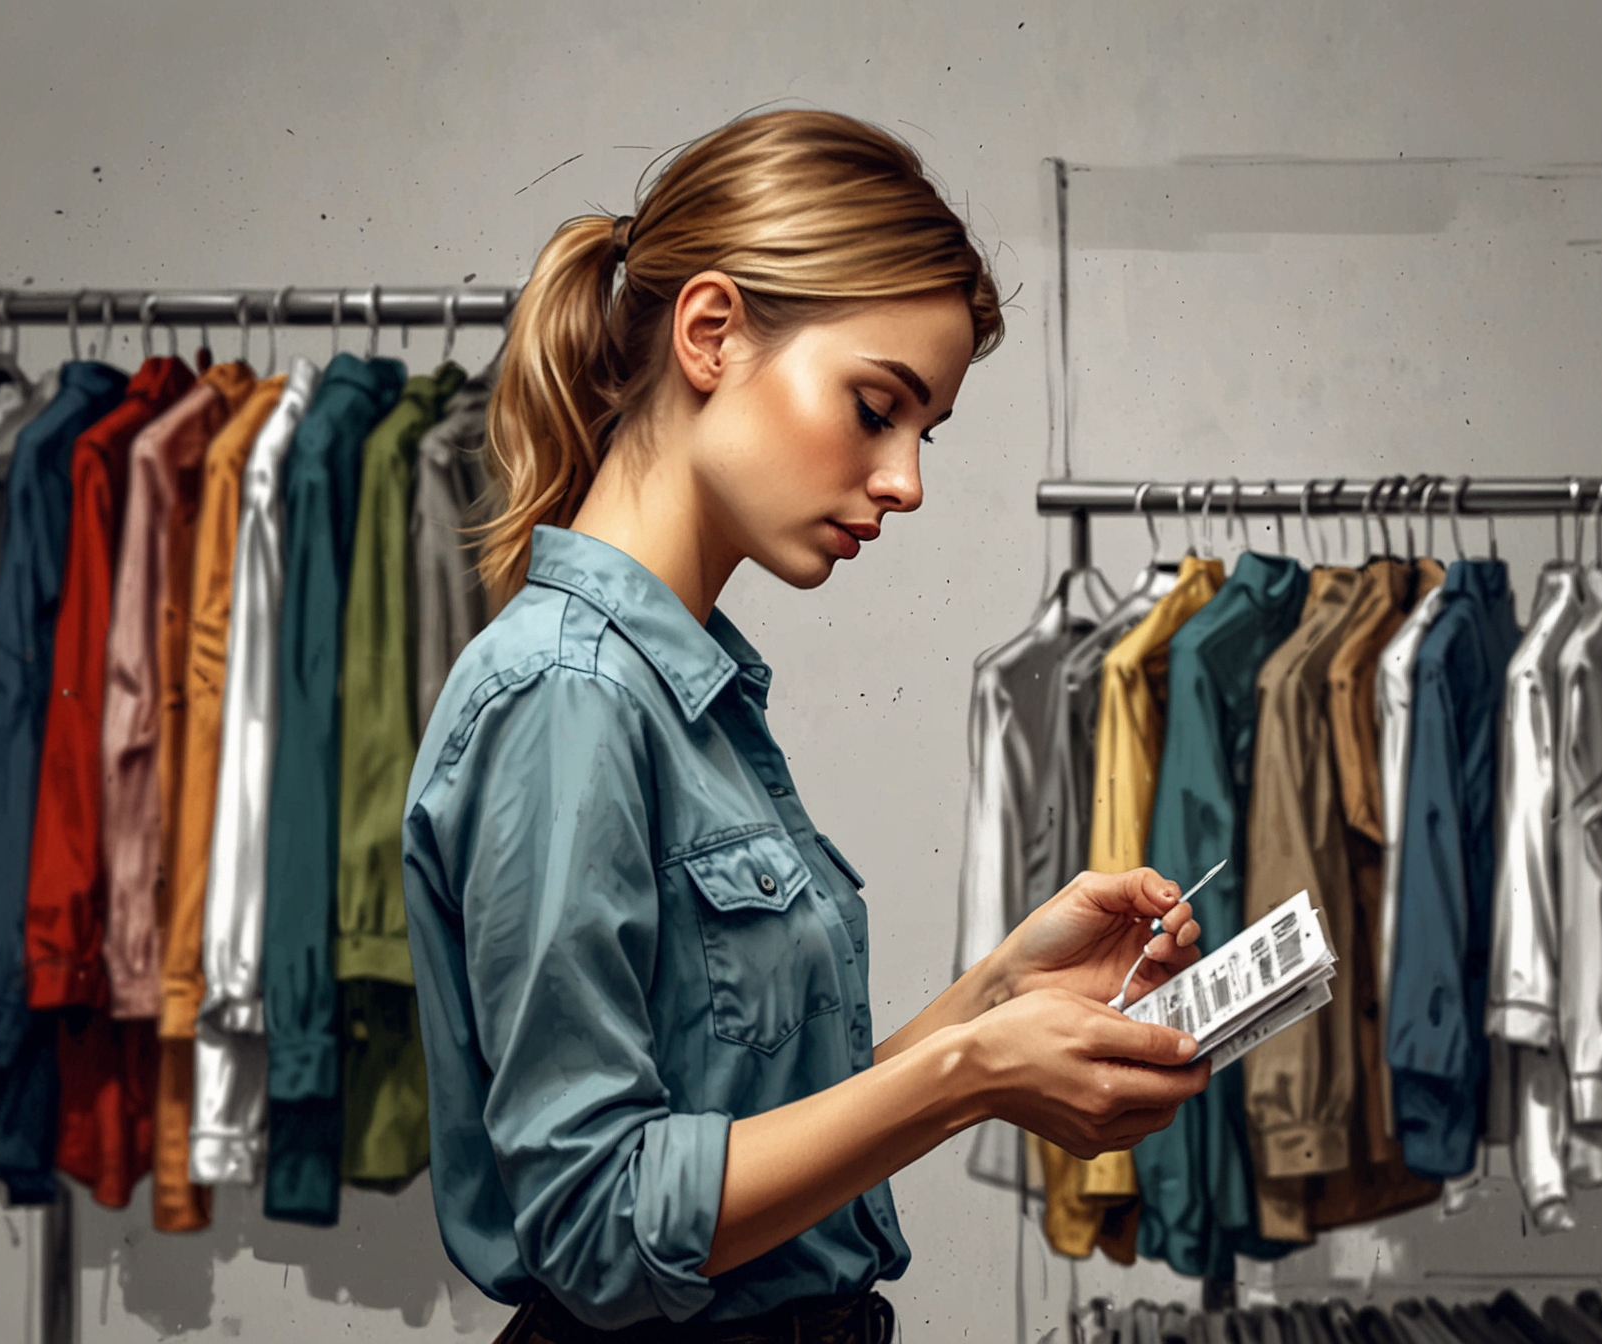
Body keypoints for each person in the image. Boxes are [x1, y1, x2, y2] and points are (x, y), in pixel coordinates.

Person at [402, 108, 1211, 1344]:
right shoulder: (569, 697)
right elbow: (598, 1222)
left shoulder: (681, 696)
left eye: (922, 431)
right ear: (712, 333)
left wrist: (994, 1000)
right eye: (875, 407)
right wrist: (974, 1072)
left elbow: (747, 1128)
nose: (906, 481)